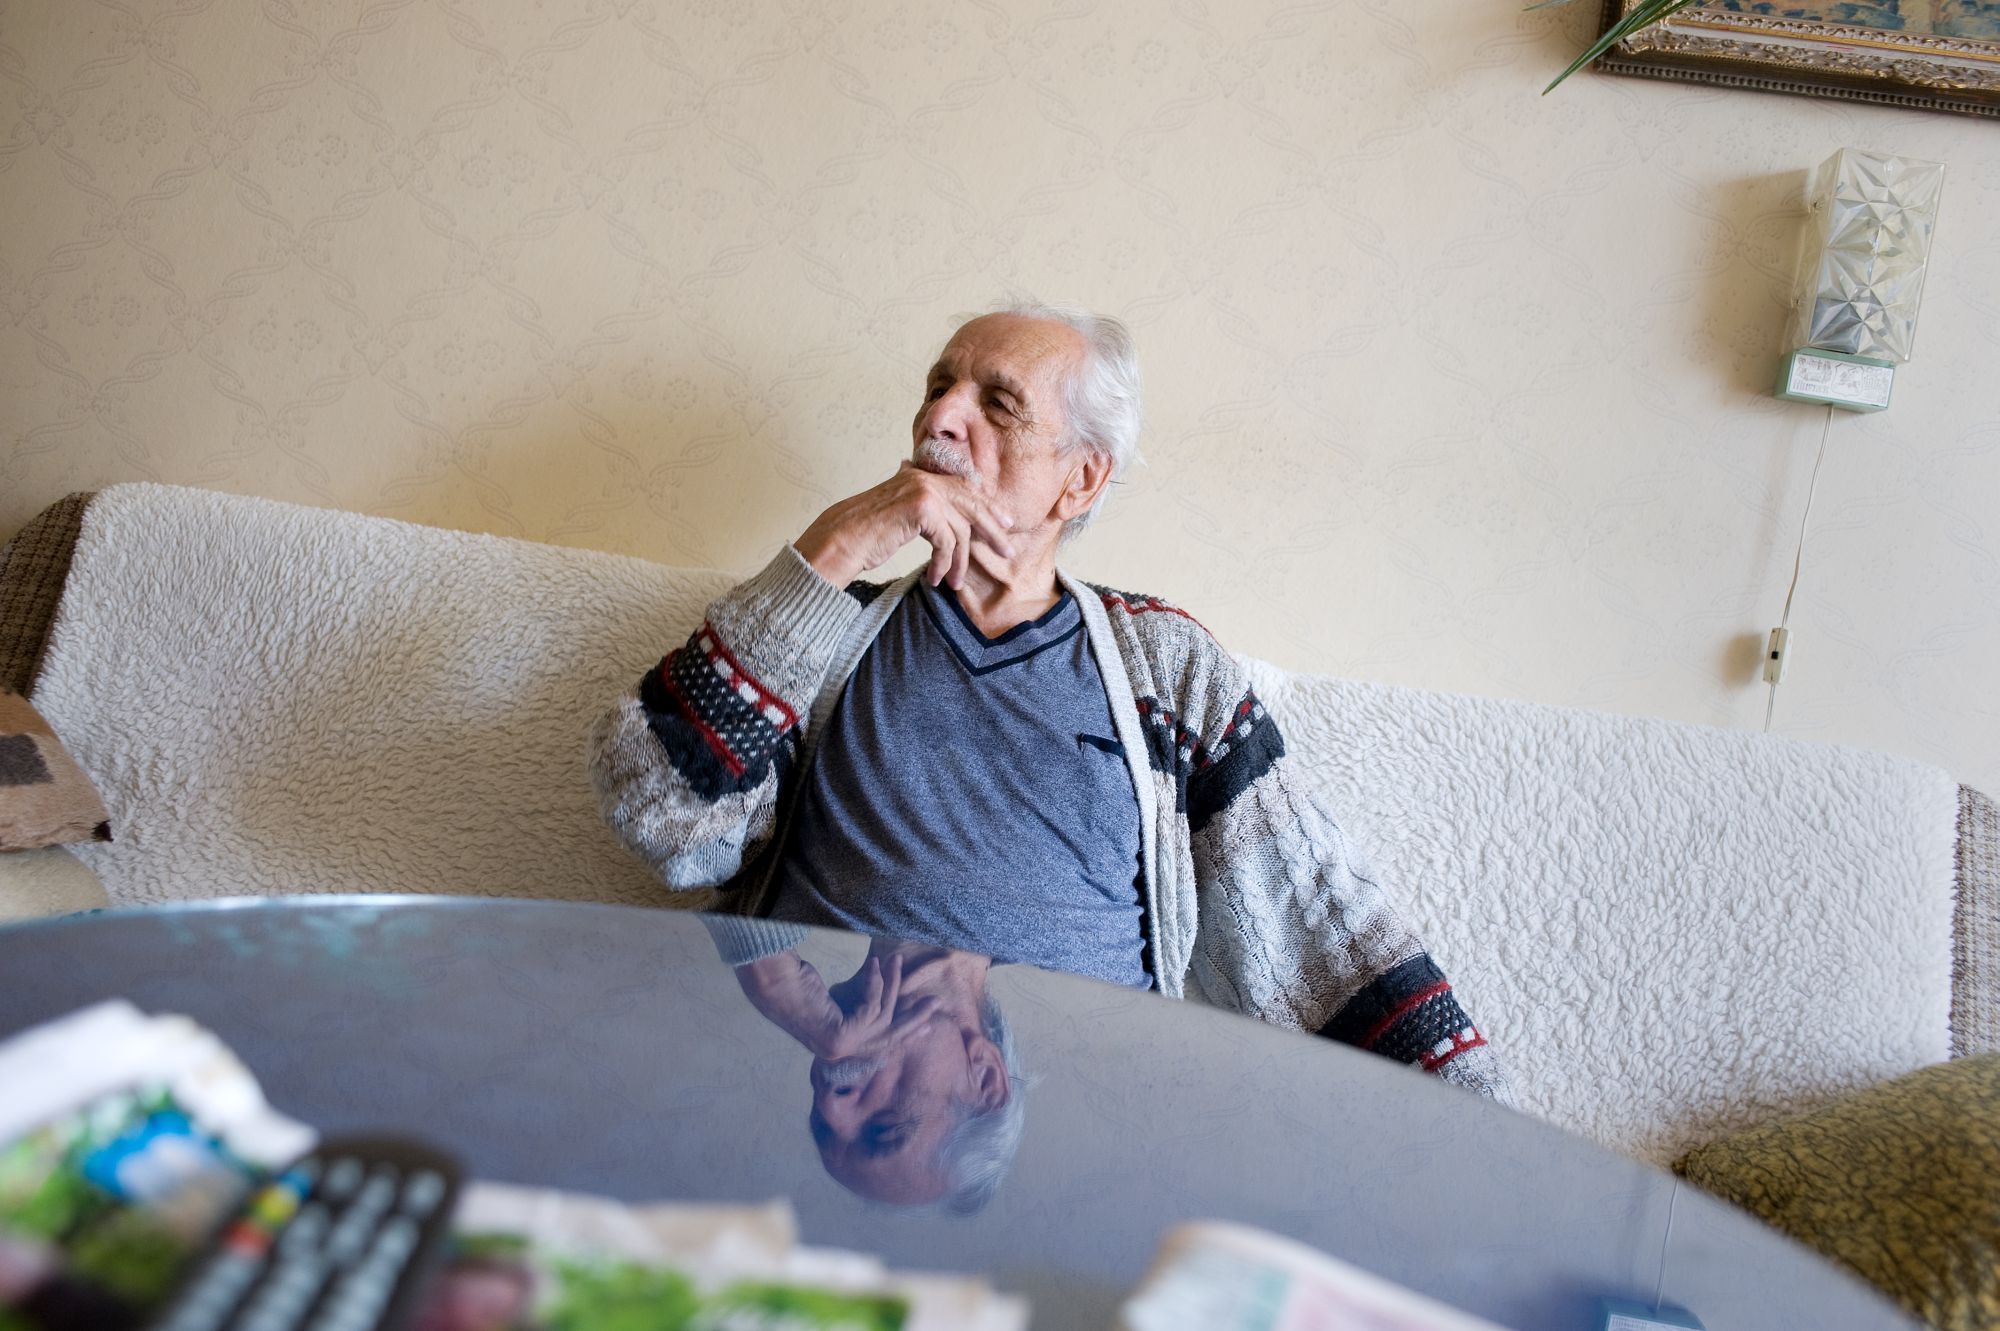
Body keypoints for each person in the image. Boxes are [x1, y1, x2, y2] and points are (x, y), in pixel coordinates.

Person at [590, 302, 1510, 1102]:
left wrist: (1486, 1142)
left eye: (998, 403)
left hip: (1088, 1127)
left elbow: (1313, 922)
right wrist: (830, 550)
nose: (941, 417)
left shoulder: (1163, 664)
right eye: (938, 386)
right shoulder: (823, 628)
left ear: (1082, 477)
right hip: (821, 1090)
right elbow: (660, 817)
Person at [706, 917, 1024, 1212]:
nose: (830, 1104)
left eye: (822, 1126)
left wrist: (762, 959)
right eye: (884, 1129)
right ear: (985, 1077)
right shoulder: (1041, 918)